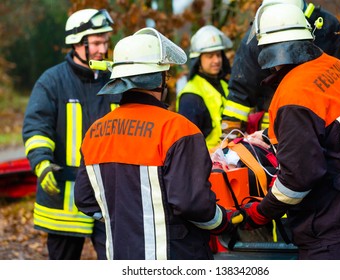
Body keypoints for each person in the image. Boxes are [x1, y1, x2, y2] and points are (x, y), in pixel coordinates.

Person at [236, 3, 340, 260]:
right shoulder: (333, 66)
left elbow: (298, 179)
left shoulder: (293, 96)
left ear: (267, 50)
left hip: (335, 230)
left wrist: (261, 212)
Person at [73, 27, 235, 260]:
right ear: (160, 79)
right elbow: (192, 204)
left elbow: (85, 200)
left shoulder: (95, 132)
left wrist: (127, 217)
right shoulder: (178, 129)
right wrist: (225, 222)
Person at [22, 9, 121, 260]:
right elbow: (36, 127)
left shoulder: (116, 82)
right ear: (77, 43)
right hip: (64, 203)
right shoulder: (52, 81)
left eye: (105, 42)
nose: (103, 49)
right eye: (97, 43)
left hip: (110, 197)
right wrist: (42, 163)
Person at [221, 0, 340, 137]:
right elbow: (239, 95)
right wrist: (230, 143)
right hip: (275, 132)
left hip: (329, 124)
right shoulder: (254, 41)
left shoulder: (327, 27)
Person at [176, 25, 232, 149]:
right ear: (198, 60)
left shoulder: (226, 85)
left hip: (231, 156)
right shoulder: (190, 95)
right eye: (210, 56)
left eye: (218, 55)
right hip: (207, 162)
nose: (216, 60)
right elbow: (188, 144)